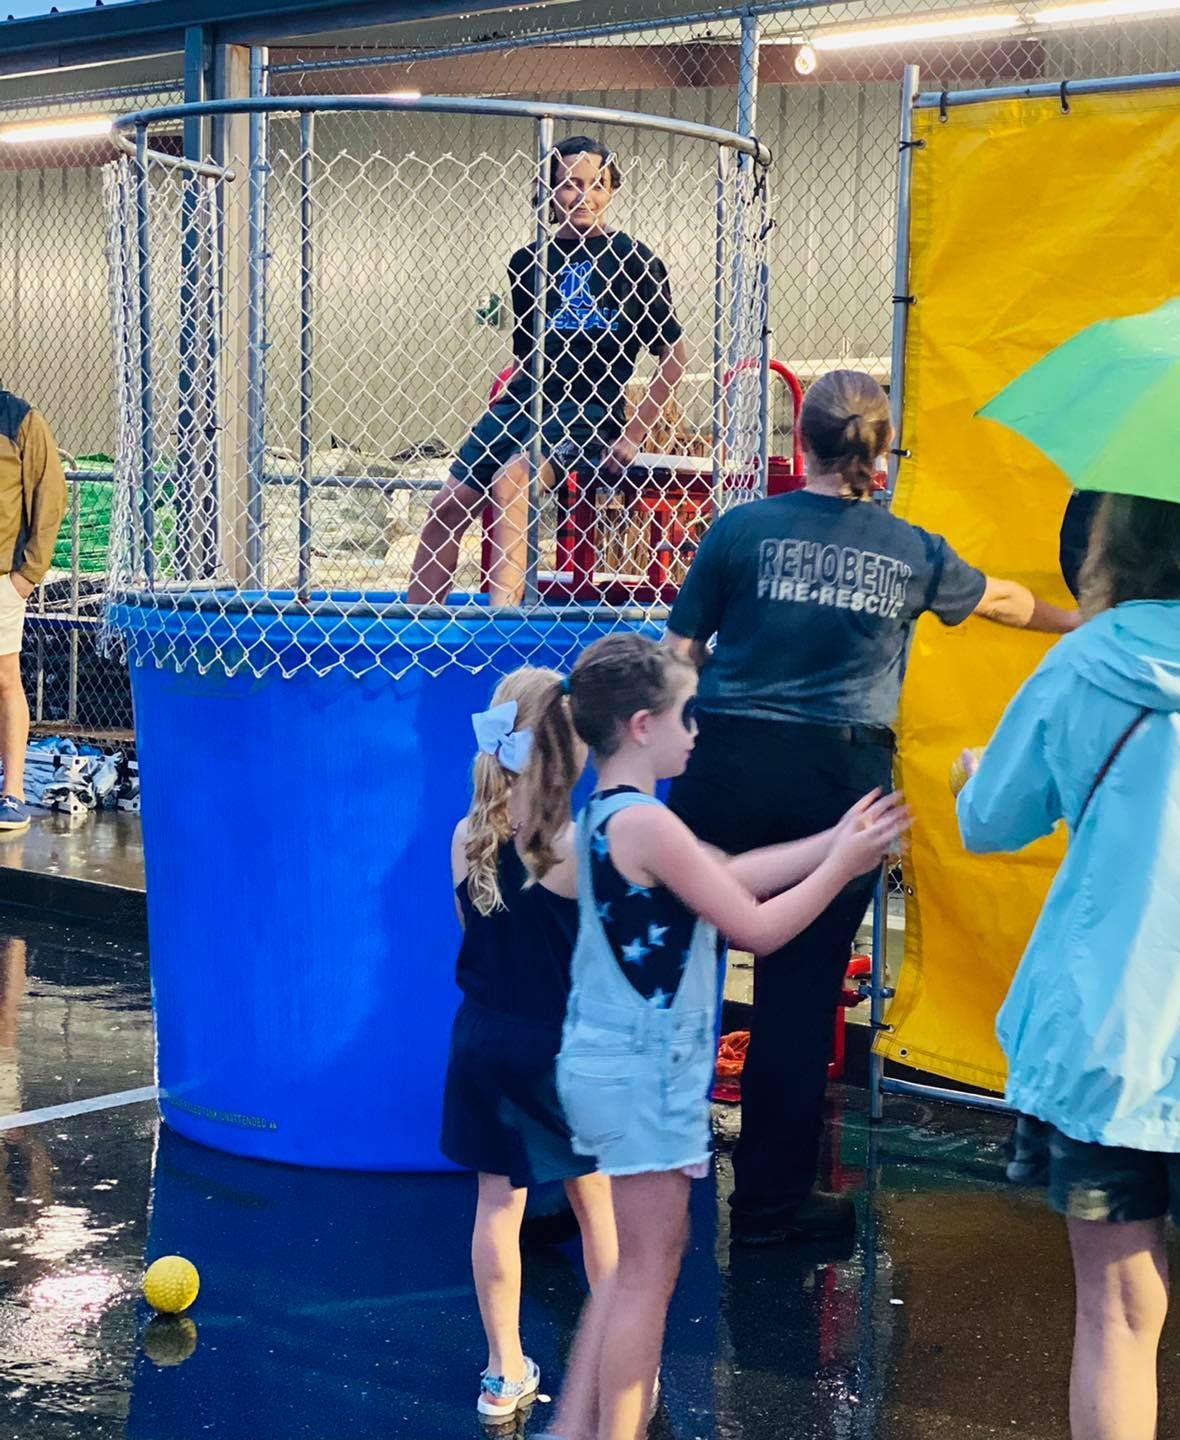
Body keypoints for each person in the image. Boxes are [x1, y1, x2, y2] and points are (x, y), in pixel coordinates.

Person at [664, 368, 1079, 1247]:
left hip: (728, 761)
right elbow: (1004, 601)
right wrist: (1086, 625)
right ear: (883, 451)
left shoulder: (739, 530)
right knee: (799, 990)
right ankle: (771, 1209)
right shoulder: (910, 550)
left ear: (798, 443)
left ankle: (612, 1171)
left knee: (666, 960)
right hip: (836, 778)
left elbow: (680, 651)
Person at [524, 632, 909, 1440]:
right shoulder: (651, 827)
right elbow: (759, 928)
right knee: (646, 1274)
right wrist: (842, 866)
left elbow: (729, 874)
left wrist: (836, 842)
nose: (696, 731)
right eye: (686, 714)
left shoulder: (612, 816)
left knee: (634, 1269)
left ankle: (575, 1429)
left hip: (612, 1064)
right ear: (639, 724)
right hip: (642, 1074)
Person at [956, 490, 1180, 1440]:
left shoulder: (1087, 663)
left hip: (1106, 1042)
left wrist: (973, 769)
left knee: (1115, 1316)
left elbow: (990, 818)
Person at [440, 666, 618, 1424]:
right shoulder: (578, 849)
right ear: (568, 756)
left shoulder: (467, 837)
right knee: (597, 1208)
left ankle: (502, 1372)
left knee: (495, 1207)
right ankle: (616, 1357)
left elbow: (474, 944)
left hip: (483, 1042)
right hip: (564, 1051)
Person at [406, 136, 687, 607]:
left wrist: (633, 434)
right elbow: (527, 351)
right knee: (446, 506)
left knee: (513, 480)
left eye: (596, 184)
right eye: (570, 185)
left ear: (612, 190)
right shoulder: (528, 263)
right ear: (550, 193)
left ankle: (501, 634)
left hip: (590, 406)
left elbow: (674, 357)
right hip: (526, 400)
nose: (583, 196)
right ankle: (412, 635)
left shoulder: (634, 261)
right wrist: (508, 395)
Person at [0, 391, 67, 834]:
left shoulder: (19, 417)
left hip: (2, 576)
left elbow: (51, 494)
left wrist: (28, 574)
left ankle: (14, 793)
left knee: (6, 682)